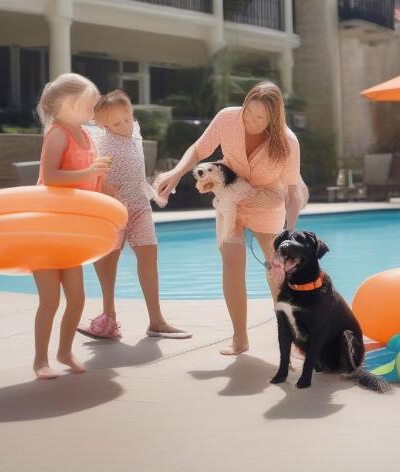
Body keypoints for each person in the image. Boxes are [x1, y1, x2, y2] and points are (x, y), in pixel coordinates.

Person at [153, 81, 306, 355]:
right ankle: (239, 338)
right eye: (248, 112)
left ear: (274, 118)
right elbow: (199, 150)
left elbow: (292, 194)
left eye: (260, 118)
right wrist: (174, 174)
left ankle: (292, 339)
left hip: (266, 202)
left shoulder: (288, 142)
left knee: (278, 274)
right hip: (231, 199)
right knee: (232, 262)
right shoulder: (227, 118)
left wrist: (288, 235)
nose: (250, 121)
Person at [78, 90, 191, 340]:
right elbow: (86, 170)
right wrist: (102, 186)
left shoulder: (135, 132)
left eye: (128, 118)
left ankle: (157, 320)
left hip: (140, 206)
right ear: (102, 124)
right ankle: (109, 317)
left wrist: (154, 189)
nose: (125, 125)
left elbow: (136, 170)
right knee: (109, 263)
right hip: (113, 210)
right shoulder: (99, 140)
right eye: (117, 123)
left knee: (149, 258)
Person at [34, 72, 110, 379]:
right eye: (89, 104)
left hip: (72, 230)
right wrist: (90, 170)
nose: (94, 110)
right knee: (50, 300)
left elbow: (89, 179)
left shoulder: (85, 135)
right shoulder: (58, 134)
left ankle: (65, 351)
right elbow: (51, 176)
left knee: (77, 298)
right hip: (48, 226)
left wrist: (103, 182)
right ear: (69, 104)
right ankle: (40, 360)